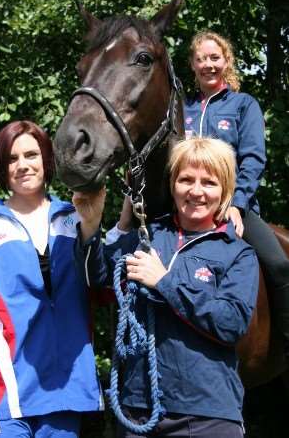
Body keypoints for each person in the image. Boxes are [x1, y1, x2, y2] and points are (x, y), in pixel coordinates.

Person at [74, 137, 259, 438]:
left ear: (224, 190)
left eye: (209, 182)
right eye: (186, 179)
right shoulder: (146, 236)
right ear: (173, 185)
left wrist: (164, 282)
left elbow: (231, 323)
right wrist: (91, 227)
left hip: (206, 415)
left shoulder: (237, 253)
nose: (196, 191)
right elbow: (100, 279)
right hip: (138, 410)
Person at [0, 120, 103, 438]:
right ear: (1, 166)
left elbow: (100, 284)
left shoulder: (73, 216)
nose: (23, 165)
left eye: (31, 155)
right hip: (7, 393)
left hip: (66, 392)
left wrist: (92, 229)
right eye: (12, 158)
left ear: (47, 159)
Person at [183, 29, 289, 357]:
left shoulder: (244, 105)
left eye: (215, 58)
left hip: (233, 206)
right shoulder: (181, 108)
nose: (208, 65)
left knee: (278, 263)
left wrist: (237, 204)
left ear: (226, 60)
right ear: (193, 65)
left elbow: (254, 159)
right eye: (201, 59)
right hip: (186, 206)